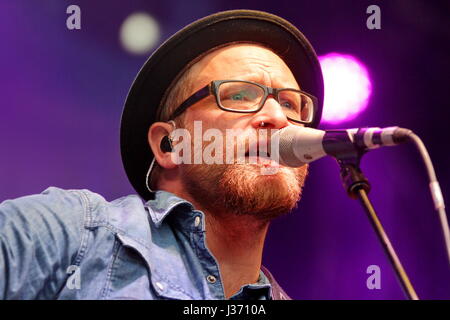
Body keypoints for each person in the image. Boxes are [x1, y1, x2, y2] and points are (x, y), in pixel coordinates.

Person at [0, 10, 323, 300]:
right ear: (169, 145)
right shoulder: (70, 232)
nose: (278, 119)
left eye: (289, 104)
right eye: (238, 95)